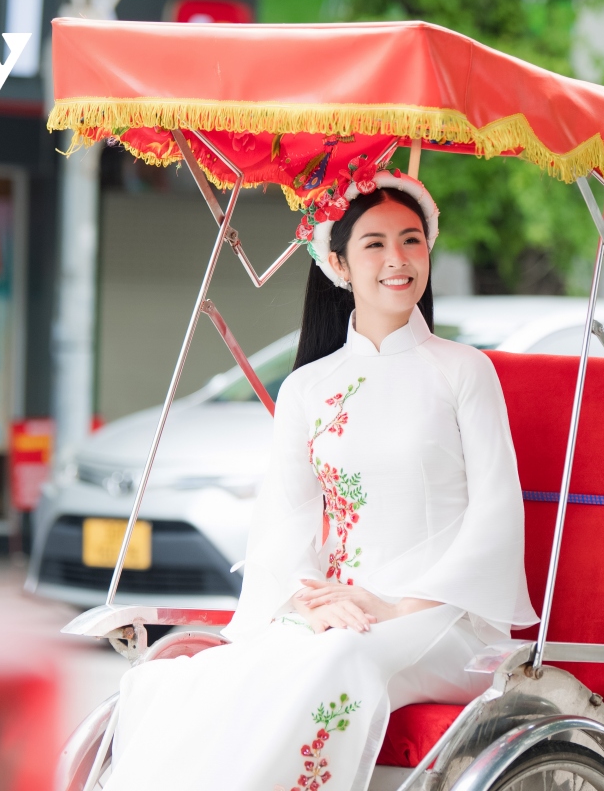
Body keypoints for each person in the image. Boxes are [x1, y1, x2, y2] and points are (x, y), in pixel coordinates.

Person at [104, 169, 538, 791]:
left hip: (448, 618)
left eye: (412, 240)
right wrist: (307, 599)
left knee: (340, 656)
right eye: (375, 244)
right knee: (199, 673)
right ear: (339, 263)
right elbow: (286, 521)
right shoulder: (310, 387)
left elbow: (498, 509)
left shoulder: (464, 371)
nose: (398, 259)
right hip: (342, 611)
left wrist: (394, 606)